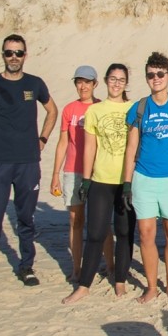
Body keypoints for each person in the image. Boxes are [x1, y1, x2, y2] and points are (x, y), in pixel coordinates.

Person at [123, 52, 168, 303]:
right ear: (146, 78)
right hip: (144, 177)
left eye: (160, 74)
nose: (156, 78)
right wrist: (126, 183)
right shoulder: (140, 107)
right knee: (145, 233)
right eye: (151, 75)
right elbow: (131, 148)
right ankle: (152, 286)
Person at [62, 64, 138, 304]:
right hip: (101, 180)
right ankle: (84, 285)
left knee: (125, 233)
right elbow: (90, 147)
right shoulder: (95, 111)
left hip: (126, 181)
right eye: (113, 79)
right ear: (105, 81)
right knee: (95, 233)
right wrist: (86, 179)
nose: (116, 83)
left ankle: (120, 281)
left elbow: (136, 147)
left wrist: (130, 182)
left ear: (126, 83)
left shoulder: (133, 109)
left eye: (121, 80)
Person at [0, 34, 58, 286]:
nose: (14, 57)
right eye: (9, 53)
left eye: (18, 53)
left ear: (25, 56)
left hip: (28, 162)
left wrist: (42, 140)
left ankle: (26, 266)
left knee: (26, 218)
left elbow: (52, 110)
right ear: (2, 55)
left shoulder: (35, 83)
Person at [50, 65, 114, 282]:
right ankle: (77, 268)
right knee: (75, 220)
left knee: (102, 222)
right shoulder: (69, 109)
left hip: (98, 172)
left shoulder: (102, 107)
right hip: (73, 171)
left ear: (96, 84)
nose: (83, 86)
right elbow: (62, 143)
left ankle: (110, 265)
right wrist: (55, 174)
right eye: (79, 81)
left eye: (87, 82)